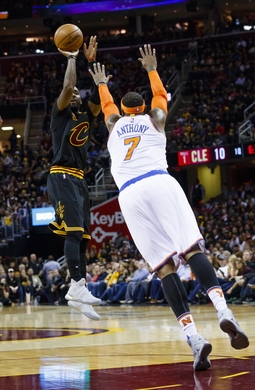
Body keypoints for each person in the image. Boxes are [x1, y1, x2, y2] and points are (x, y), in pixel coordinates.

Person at [89, 44, 249, 371]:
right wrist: (151, 68)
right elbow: (162, 96)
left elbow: (106, 106)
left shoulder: (115, 125)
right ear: (144, 108)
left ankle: (193, 337)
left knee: (164, 268)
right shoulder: (155, 119)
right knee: (191, 249)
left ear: (122, 110)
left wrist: (101, 81)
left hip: (129, 195)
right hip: (159, 182)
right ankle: (223, 311)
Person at [47, 36, 102, 321]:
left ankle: (78, 289)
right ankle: (76, 287)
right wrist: (72, 56)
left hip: (79, 179)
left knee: (83, 239)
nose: (76, 93)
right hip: (62, 175)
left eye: (80, 93)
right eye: (74, 93)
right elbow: (69, 86)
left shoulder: (86, 115)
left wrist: (92, 66)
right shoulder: (59, 114)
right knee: (73, 233)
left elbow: (97, 101)